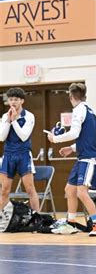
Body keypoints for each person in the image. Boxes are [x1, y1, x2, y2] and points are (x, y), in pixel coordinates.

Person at [47, 83, 96, 236]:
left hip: (88, 159)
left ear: (71, 96)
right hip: (82, 158)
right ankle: (71, 224)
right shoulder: (89, 110)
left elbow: (74, 133)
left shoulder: (79, 110)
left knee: (81, 192)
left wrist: (55, 139)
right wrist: (71, 148)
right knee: (69, 190)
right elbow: (86, 137)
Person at [0, 87, 40, 218]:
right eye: (11, 99)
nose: (13, 102)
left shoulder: (29, 116)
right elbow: (1, 137)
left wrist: (15, 120)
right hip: (8, 155)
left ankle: (36, 217)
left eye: (16, 99)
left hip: (23, 155)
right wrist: (8, 120)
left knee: (29, 188)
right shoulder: (5, 116)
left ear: (22, 101)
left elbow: (24, 136)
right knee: (4, 190)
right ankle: (3, 218)